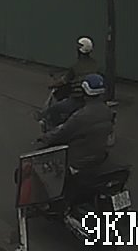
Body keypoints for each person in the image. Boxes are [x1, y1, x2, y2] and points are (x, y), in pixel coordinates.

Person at [37, 73, 112, 203]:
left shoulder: (80, 116)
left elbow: (61, 133)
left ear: (84, 92)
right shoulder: (107, 111)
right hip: (100, 157)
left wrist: (44, 138)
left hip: (78, 161)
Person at [41, 37, 101, 128]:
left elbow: (63, 81)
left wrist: (52, 85)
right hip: (95, 98)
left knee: (53, 109)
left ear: (78, 50)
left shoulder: (75, 67)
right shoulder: (95, 64)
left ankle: (55, 129)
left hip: (78, 100)